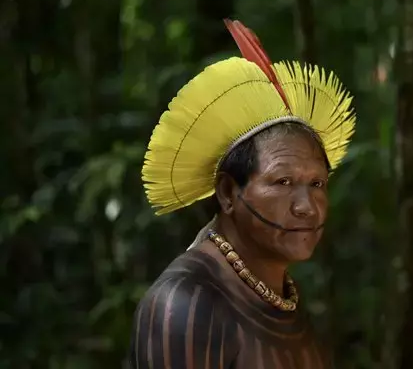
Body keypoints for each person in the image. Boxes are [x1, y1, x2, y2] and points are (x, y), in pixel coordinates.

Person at [129, 19, 356, 368]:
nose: (306, 207)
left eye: (317, 184)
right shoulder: (187, 304)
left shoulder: (280, 294)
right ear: (228, 192)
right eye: (282, 182)